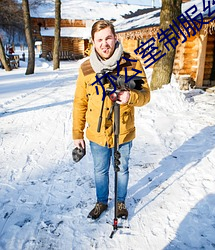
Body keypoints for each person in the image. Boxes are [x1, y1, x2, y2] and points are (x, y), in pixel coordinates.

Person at [72, 20, 150, 220]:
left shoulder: (132, 62)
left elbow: (145, 95)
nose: (104, 43)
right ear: (93, 42)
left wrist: (130, 97)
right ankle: (101, 202)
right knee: (100, 170)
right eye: (99, 40)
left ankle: (121, 202)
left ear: (116, 38)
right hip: (97, 133)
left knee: (122, 168)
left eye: (108, 38)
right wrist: (77, 134)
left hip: (123, 130)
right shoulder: (87, 68)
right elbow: (80, 102)